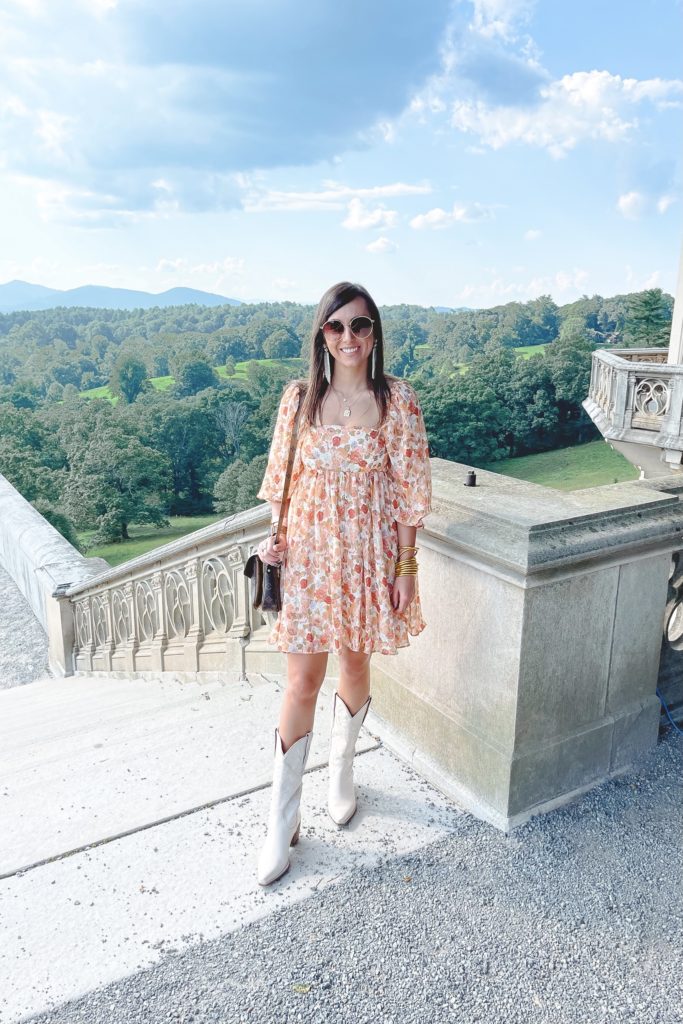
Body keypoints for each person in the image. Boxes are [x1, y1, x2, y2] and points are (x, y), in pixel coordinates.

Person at [255, 281, 432, 886]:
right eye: (336, 327)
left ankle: (342, 770)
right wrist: (271, 542)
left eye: (360, 326)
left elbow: (411, 493)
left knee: (355, 667)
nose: (349, 337)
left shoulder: (398, 401)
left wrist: (406, 568)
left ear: (374, 333)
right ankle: (282, 818)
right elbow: (279, 481)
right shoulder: (299, 400)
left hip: (366, 559)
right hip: (306, 559)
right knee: (302, 679)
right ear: (321, 336)